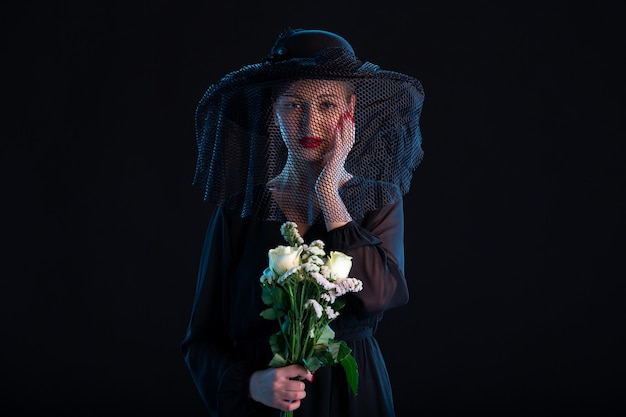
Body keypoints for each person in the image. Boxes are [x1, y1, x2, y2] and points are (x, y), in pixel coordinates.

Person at [181, 28, 425, 417]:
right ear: (273, 109)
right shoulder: (238, 211)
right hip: (266, 404)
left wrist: (329, 192)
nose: (310, 124)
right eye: (294, 105)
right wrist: (249, 384)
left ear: (350, 111)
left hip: (354, 400)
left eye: (327, 105)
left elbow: (381, 294)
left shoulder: (379, 199)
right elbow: (201, 338)